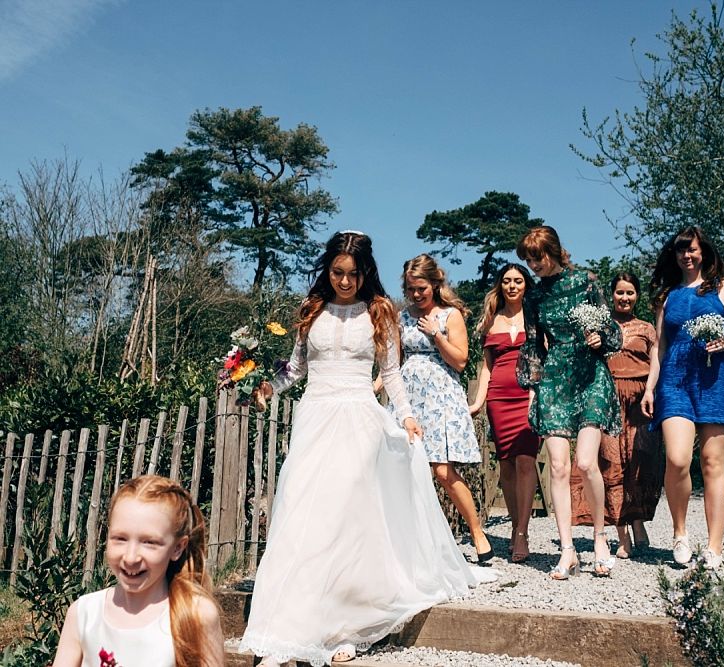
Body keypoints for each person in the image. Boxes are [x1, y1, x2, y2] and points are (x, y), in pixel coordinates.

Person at [240, 231, 494, 667]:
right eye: (337, 272)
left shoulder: (380, 312)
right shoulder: (311, 310)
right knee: (304, 515)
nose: (344, 281)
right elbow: (297, 368)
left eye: (353, 274)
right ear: (328, 270)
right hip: (315, 418)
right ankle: (290, 627)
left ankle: (346, 625)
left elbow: (391, 373)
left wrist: (408, 414)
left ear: (365, 273)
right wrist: (267, 386)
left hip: (359, 418)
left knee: (347, 516)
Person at [516, 225, 622, 579]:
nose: (533, 265)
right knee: (559, 467)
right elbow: (533, 345)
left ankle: (600, 538)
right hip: (556, 379)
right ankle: (567, 550)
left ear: (554, 251)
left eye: (537, 258)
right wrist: (533, 387)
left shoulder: (587, 281)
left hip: (591, 375)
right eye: (528, 260)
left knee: (587, 462)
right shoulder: (534, 297)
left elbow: (612, 331)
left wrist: (599, 338)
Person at [53, 475, 224, 667]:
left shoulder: (197, 615)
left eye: (149, 542)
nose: (131, 557)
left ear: (177, 548)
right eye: (120, 538)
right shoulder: (83, 614)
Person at [392, 254, 493, 563]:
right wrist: (377, 387)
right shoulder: (401, 317)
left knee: (443, 470)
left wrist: (435, 334)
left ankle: (477, 532)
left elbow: (461, 361)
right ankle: (413, 544)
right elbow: (393, 362)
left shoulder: (451, 316)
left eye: (421, 288)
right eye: (410, 289)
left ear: (434, 285)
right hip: (410, 396)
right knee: (404, 470)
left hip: (441, 397)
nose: (416, 294)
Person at [640, 226, 724, 569]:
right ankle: (680, 533)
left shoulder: (723, 288)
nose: (686, 256)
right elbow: (659, 347)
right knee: (677, 459)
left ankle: (714, 547)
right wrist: (650, 387)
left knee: (712, 463)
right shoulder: (668, 296)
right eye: (680, 251)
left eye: (691, 250)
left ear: (703, 251)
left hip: (716, 380)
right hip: (675, 381)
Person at [571, 273, 663, 558]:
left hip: (639, 398)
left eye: (630, 293)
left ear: (636, 296)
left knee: (639, 463)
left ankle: (637, 521)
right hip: (608, 396)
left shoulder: (647, 328)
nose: (625, 297)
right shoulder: (599, 326)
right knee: (611, 464)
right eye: (620, 292)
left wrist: (650, 390)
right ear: (612, 294)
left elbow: (656, 360)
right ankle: (621, 533)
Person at [469, 263, 540, 563]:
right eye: (507, 281)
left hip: (528, 394)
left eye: (518, 281)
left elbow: (544, 359)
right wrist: (478, 401)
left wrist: (538, 394)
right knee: (507, 465)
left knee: (526, 460)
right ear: (501, 285)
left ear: (526, 285)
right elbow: (486, 367)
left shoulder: (537, 317)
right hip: (499, 397)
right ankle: (514, 526)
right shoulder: (490, 319)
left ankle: (522, 533)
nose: (512, 286)